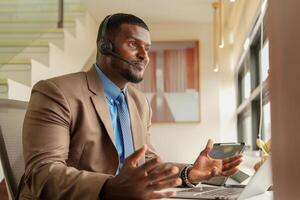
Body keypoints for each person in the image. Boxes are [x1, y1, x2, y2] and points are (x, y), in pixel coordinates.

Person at [18, 13, 242, 200]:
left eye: (147, 48)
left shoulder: (139, 102)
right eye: (134, 45)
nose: (144, 56)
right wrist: (111, 187)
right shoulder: (56, 92)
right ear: (105, 46)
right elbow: (42, 174)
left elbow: (146, 163)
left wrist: (189, 173)